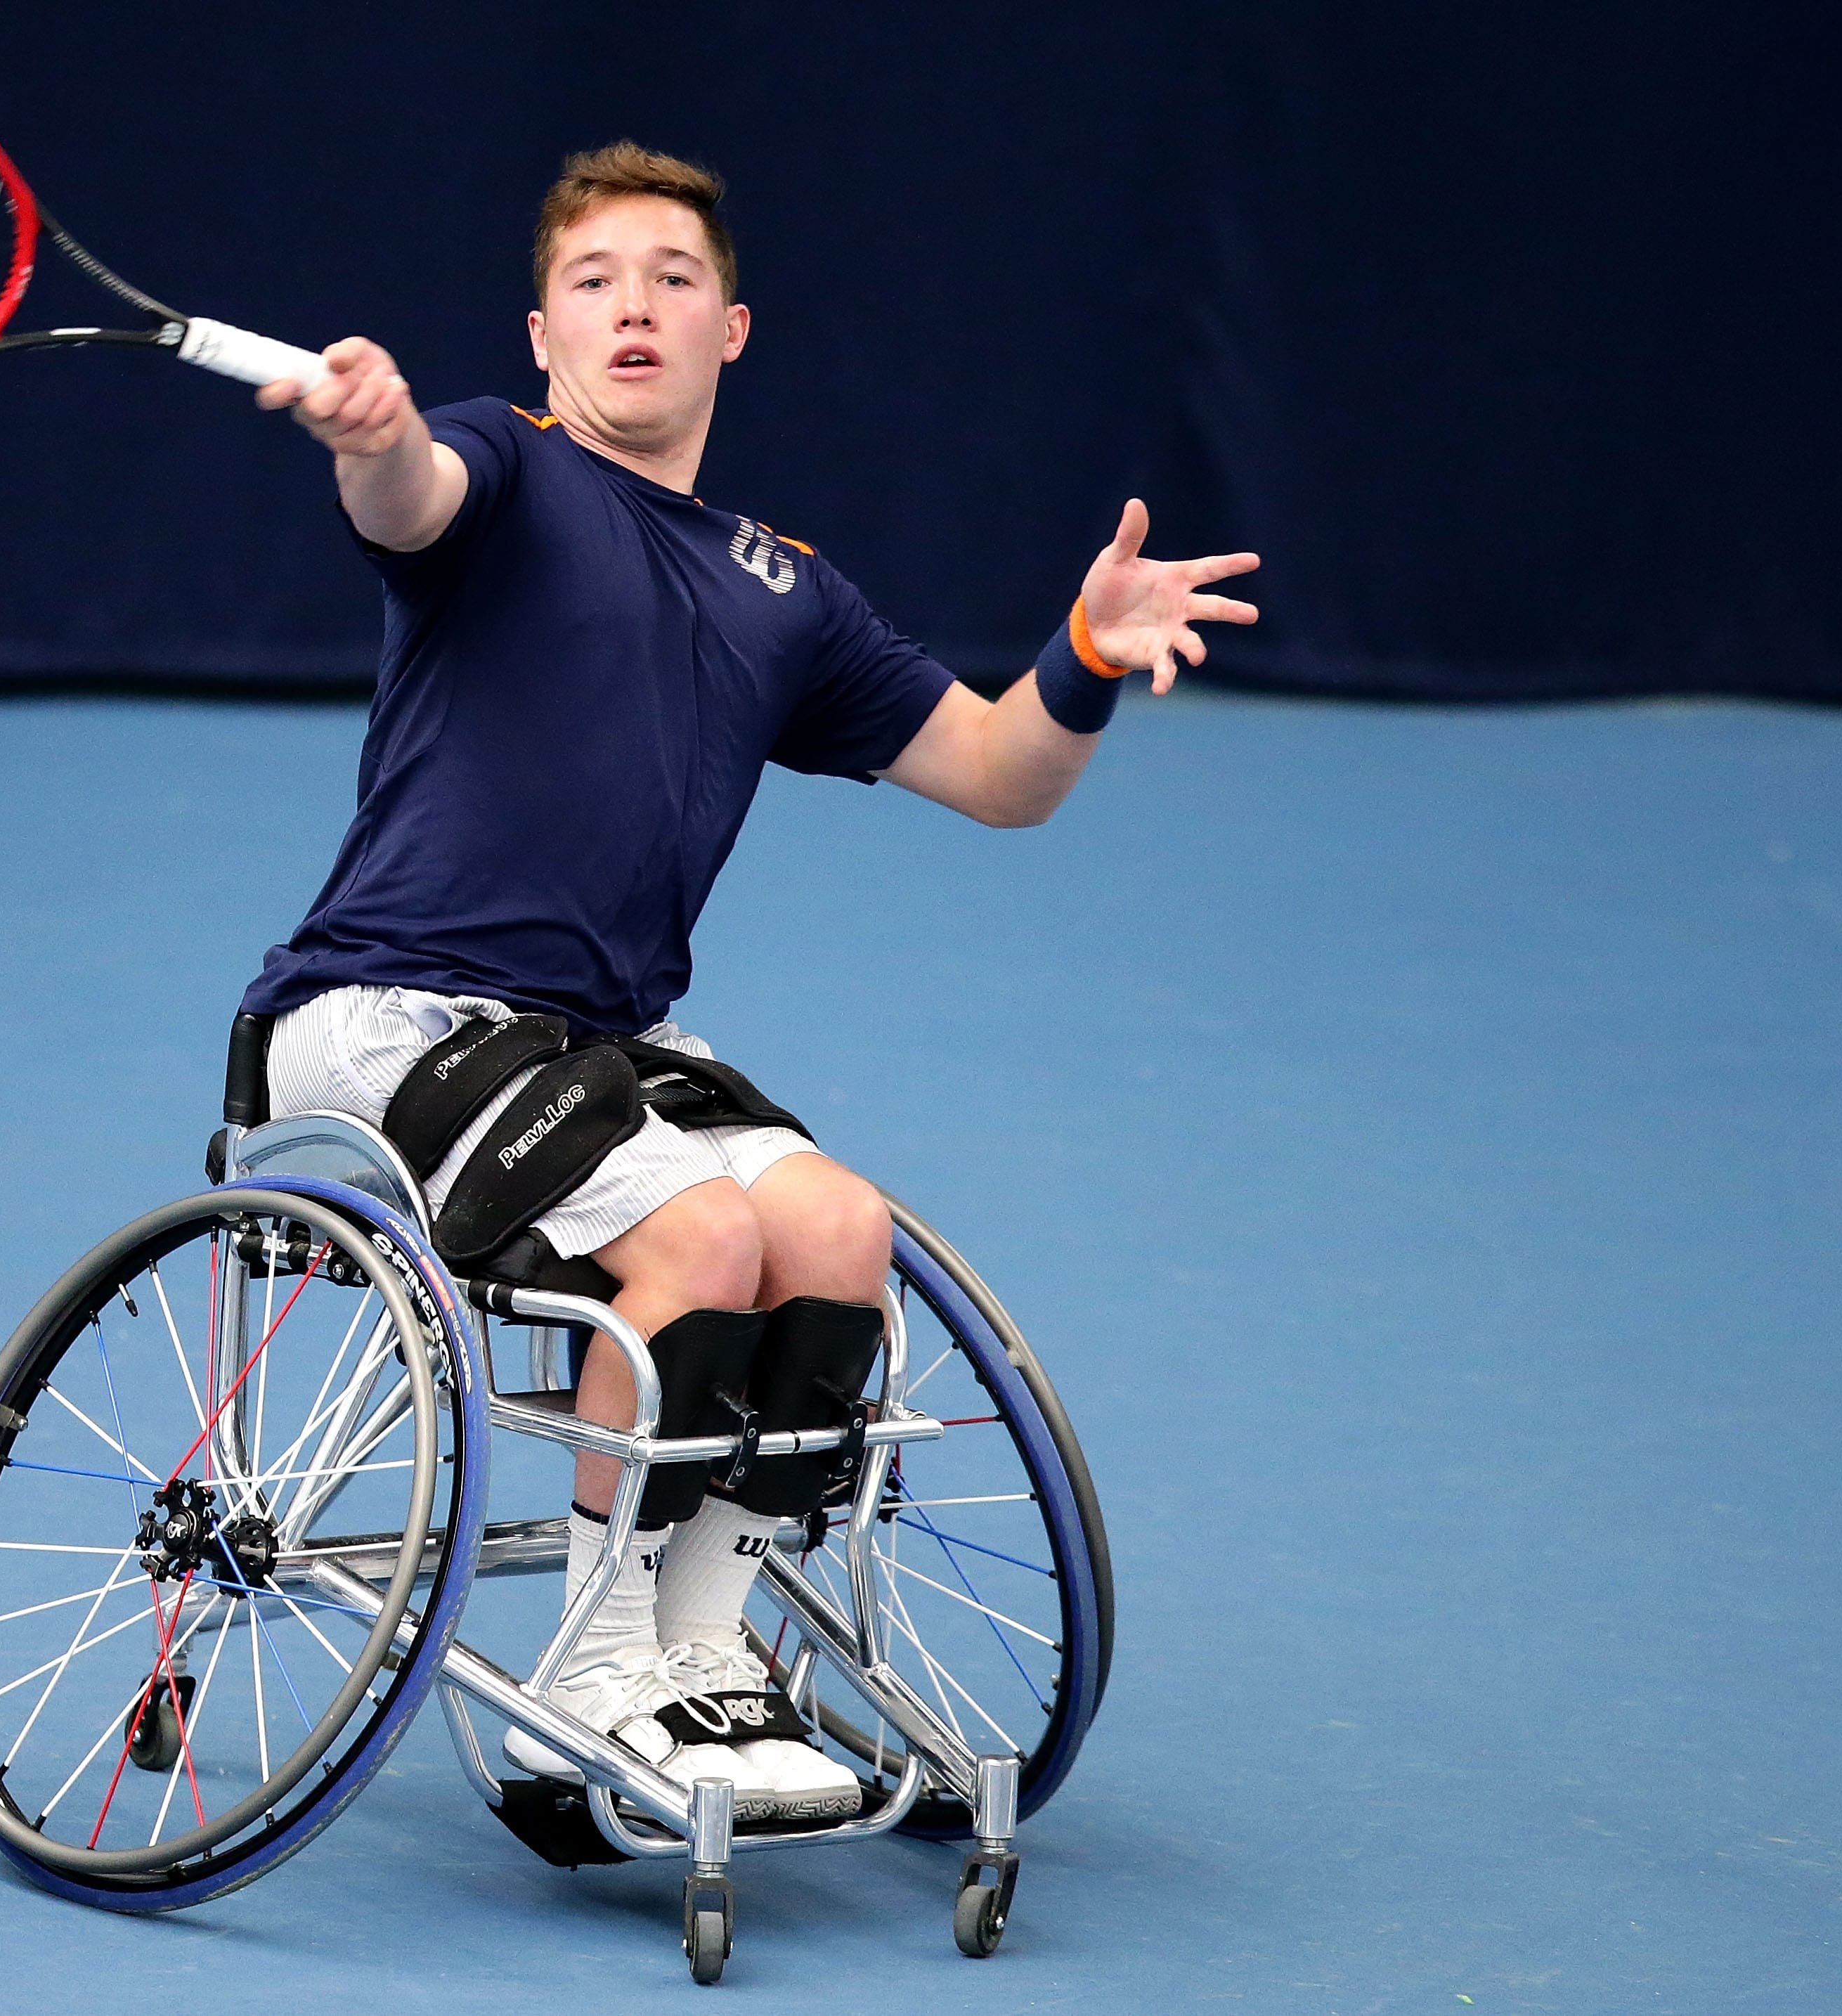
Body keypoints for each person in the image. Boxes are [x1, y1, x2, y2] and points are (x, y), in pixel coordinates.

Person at [240, 143, 1257, 1823]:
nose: (634, 304)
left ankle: (695, 1652)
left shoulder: (787, 595)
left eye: (672, 278)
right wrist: (375, 442)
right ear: (545, 333)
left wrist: (1078, 657)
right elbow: (410, 495)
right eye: (595, 281)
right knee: (704, 1237)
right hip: (387, 1017)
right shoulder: (501, 465)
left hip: (602, 1045)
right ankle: (584, 1668)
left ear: (733, 329)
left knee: (838, 1231)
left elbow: (1003, 774)